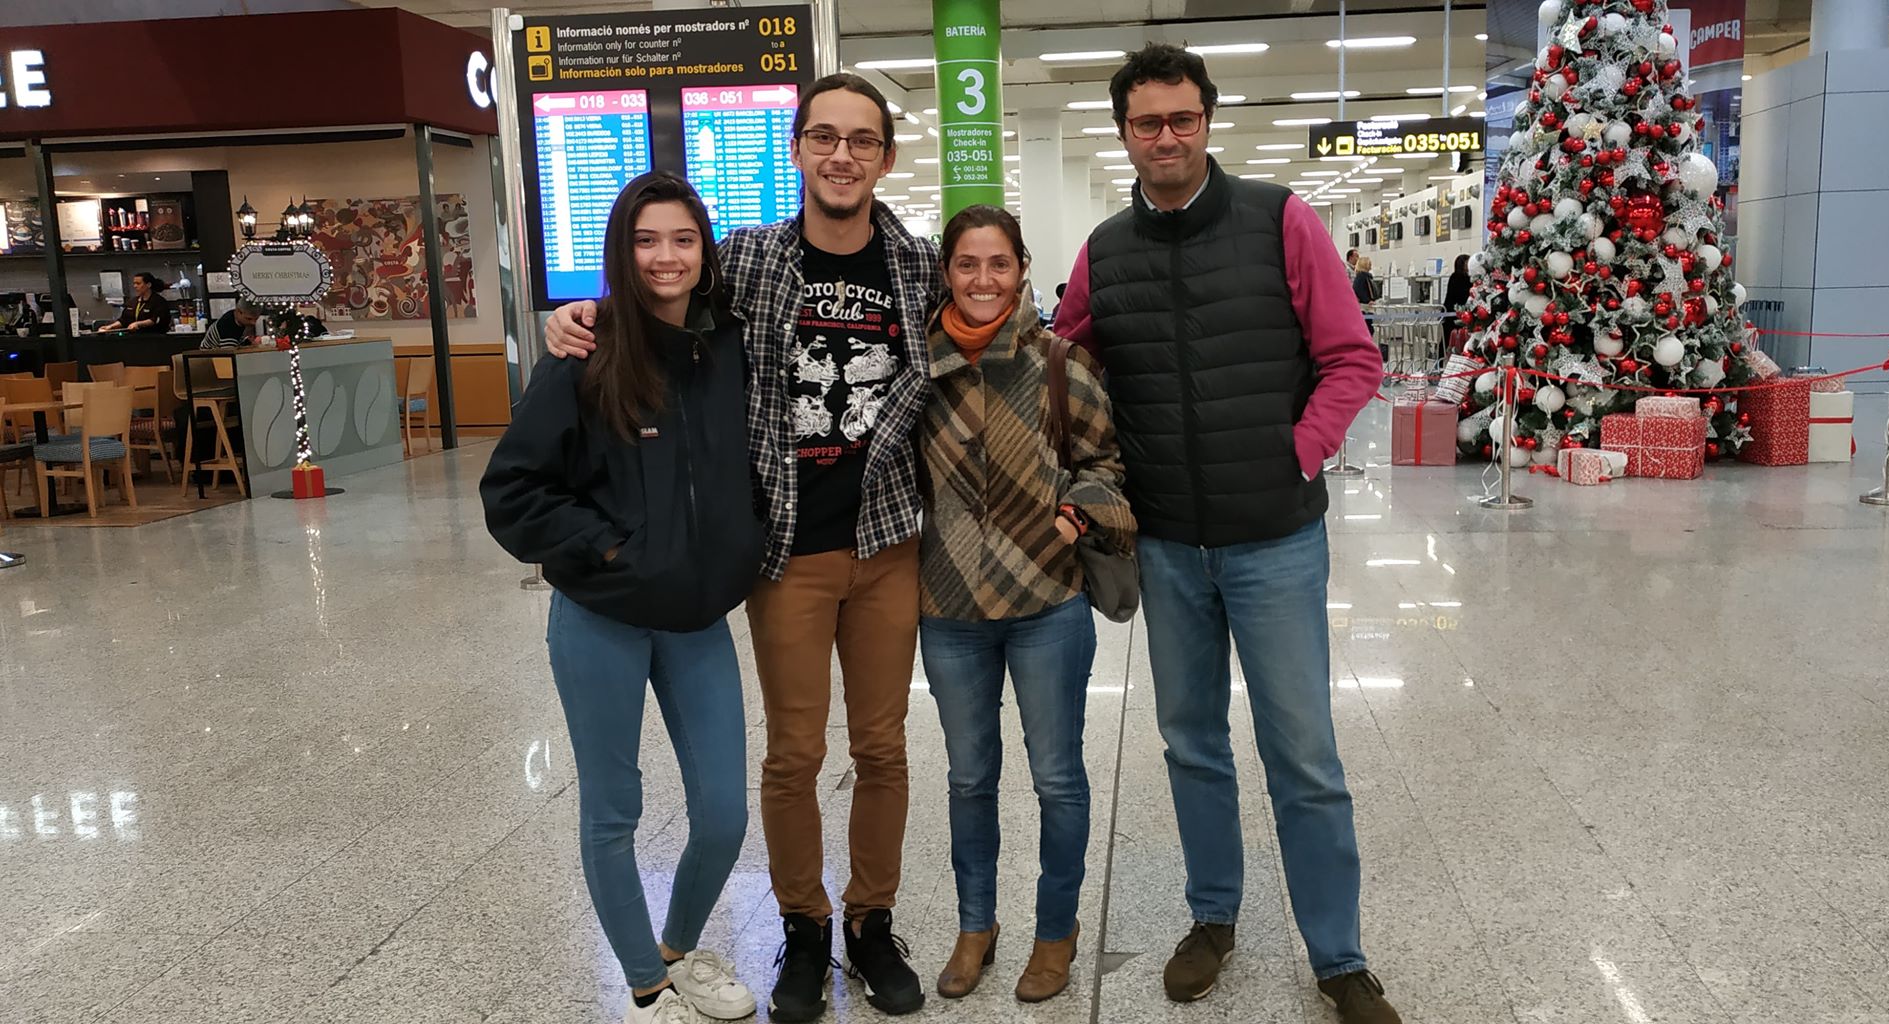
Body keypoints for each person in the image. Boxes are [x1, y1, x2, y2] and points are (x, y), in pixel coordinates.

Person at [544, 73, 940, 1022]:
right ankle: (802, 926)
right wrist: (577, 315)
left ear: (886, 157)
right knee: (794, 753)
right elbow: (658, 293)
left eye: (862, 140)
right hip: (786, 548)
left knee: (883, 748)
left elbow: (988, 320)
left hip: (888, 540)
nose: (841, 155)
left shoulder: (918, 263)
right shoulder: (750, 259)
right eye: (823, 137)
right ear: (797, 150)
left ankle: (870, 922)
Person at [1052, 44, 1400, 1024]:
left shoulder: (1279, 219)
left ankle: (1338, 957)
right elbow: (1060, 370)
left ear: (1207, 121)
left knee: (1303, 754)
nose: (1165, 137)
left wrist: (1298, 454)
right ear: (1124, 133)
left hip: (1273, 539)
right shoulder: (1103, 251)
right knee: (1191, 743)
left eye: (1182, 119)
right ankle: (1212, 916)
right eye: (1146, 122)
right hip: (1165, 545)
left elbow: (1351, 359)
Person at [481, 171, 761, 1024]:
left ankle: (677, 950)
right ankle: (644, 985)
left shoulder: (729, 347)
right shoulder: (586, 352)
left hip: (697, 616)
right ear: (620, 252)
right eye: (645, 241)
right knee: (615, 809)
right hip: (601, 617)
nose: (665, 257)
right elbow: (513, 490)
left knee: (723, 813)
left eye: (682, 239)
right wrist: (608, 548)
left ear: (705, 250)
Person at [917, 205, 1135, 1005]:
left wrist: (1074, 514)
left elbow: (1106, 463)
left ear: (1021, 269)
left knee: (1057, 778)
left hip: (1047, 600)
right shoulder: (918, 368)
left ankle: (1054, 931)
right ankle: (976, 926)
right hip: (948, 605)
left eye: (998, 264)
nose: (983, 280)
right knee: (969, 777)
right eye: (967, 264)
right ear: (946, 272)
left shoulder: (1060, 364)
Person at [98, 272, 172, 333]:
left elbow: (155, 320)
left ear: (148, 285)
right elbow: (123, 320)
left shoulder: (159, 301)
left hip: (154, 338)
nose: (135, 286)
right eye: (134, 283)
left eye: (138, 283)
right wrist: (110, 327)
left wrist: (138, 324)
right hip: (134, 338)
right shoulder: (133, 302)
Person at [1440, 254, 1472, 346]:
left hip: (1458, 312)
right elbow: (1460, 295)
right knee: (1449, 338)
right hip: (1453, 313)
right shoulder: (1456, 278)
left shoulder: (1465, 278)